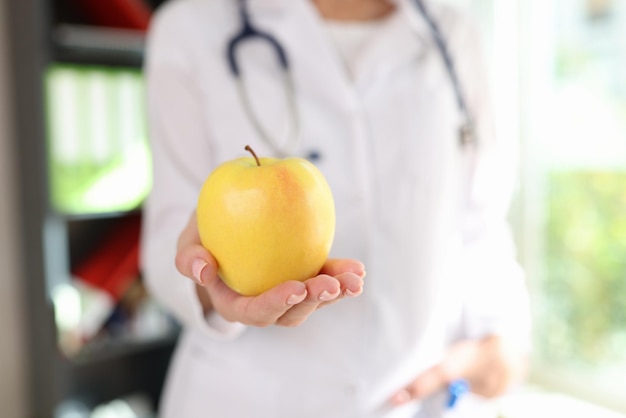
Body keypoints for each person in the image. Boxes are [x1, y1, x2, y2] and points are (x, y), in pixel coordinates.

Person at [141, 0, 532, 416]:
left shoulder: (454, 37)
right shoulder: (191, 28)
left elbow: (479, 224)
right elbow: (167, 242)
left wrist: (500, 343)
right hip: (245, 398)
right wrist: (211, 288)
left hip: (412, 400)